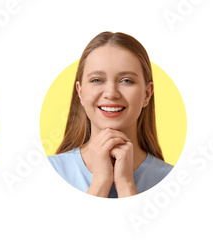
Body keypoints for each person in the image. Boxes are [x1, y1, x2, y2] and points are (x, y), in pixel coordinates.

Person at [48, 31, 173, 198]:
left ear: (147, 94)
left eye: (127, 80)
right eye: (97, 80)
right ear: (80, 93)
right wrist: (100, 182)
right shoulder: (49, 170)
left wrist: (126, 184)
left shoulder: (173, 179)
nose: (111, 93)